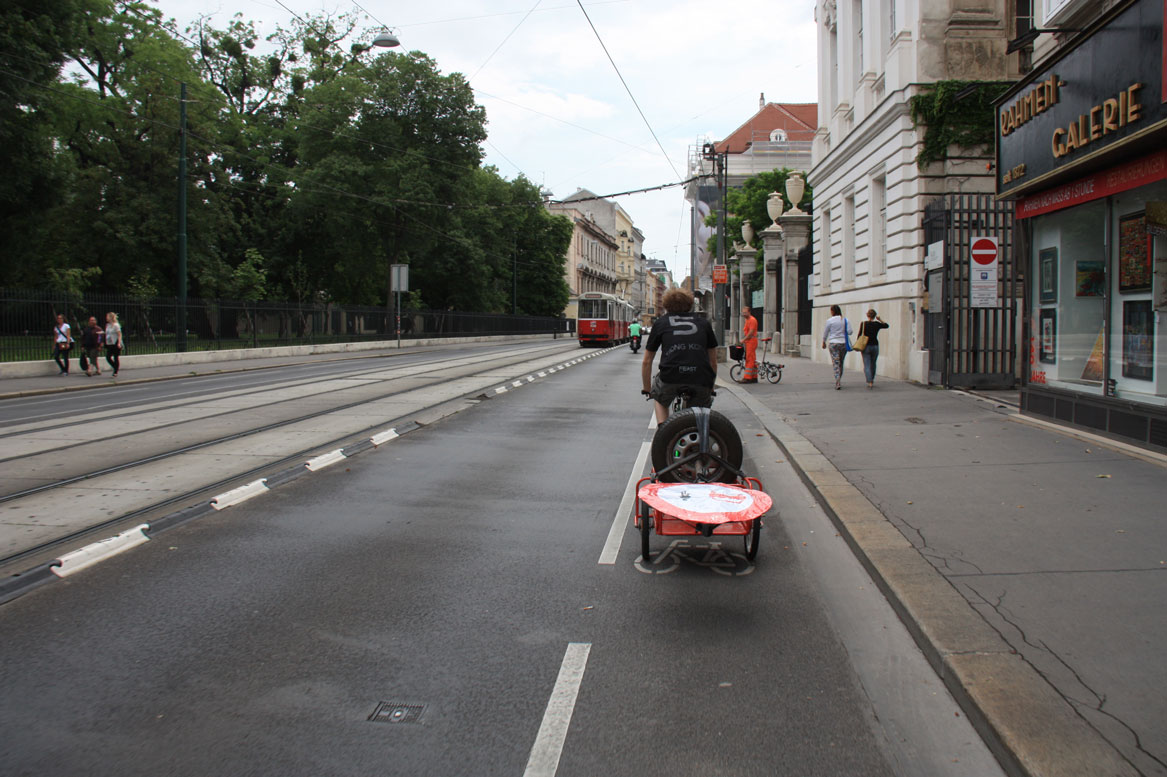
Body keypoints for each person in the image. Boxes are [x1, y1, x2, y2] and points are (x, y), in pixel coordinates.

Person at [641, 288, 718, 424]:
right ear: (689, 304)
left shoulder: (661, 323)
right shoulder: (704, 324)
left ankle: (662, 430)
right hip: (700, 377)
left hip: (670, 376)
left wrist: (647, 389)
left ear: (666, 305)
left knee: (660, 400)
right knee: (699, 409)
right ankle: (696, 431)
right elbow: (713, 362)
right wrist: (710, 387)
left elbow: (647, 361)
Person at [821, 304, 852, 390]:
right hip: (843, 343)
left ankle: (837, 381)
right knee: (841, 362)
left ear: (833, 311)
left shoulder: (830, 321)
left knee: (836, 363)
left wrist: (823, 341)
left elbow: (826, 332)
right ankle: (839, 379)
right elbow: (850, 332)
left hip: (833, 343)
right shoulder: (845, 320)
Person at [858, 309, 888, 389]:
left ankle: (869, 381)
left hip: (866, 346)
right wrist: (880, 319)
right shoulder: (877, 324)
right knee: (873, 363)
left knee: (867, 364)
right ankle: (872, 379)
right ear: (874, 316)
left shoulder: (863, 324)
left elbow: (859, 335)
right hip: (875, 345)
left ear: (867, 315)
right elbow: (886, 325)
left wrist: (859, 345)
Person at [739, 307, 759, 383]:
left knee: (749, 359)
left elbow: (750, 333)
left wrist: (743, 340)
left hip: (751, 341)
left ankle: (747, 377)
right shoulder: (747, 320)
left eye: (745, 312)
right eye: (743, 312)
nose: (744, 314)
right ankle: (754, 377)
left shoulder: (752, 320)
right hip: (749, 341)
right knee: (752, 359)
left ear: (749, 312)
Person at [104, 312, 123, 377]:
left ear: (111, 317)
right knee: (108, 357)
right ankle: (115, 367)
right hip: (109, 343)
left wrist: (119, 343)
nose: (106, 318)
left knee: (115, 357)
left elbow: (119, 334)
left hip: (115, 342)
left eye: (107, 317)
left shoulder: (116, 325)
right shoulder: (108, 325)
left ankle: (115, 371)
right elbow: (108, 333)